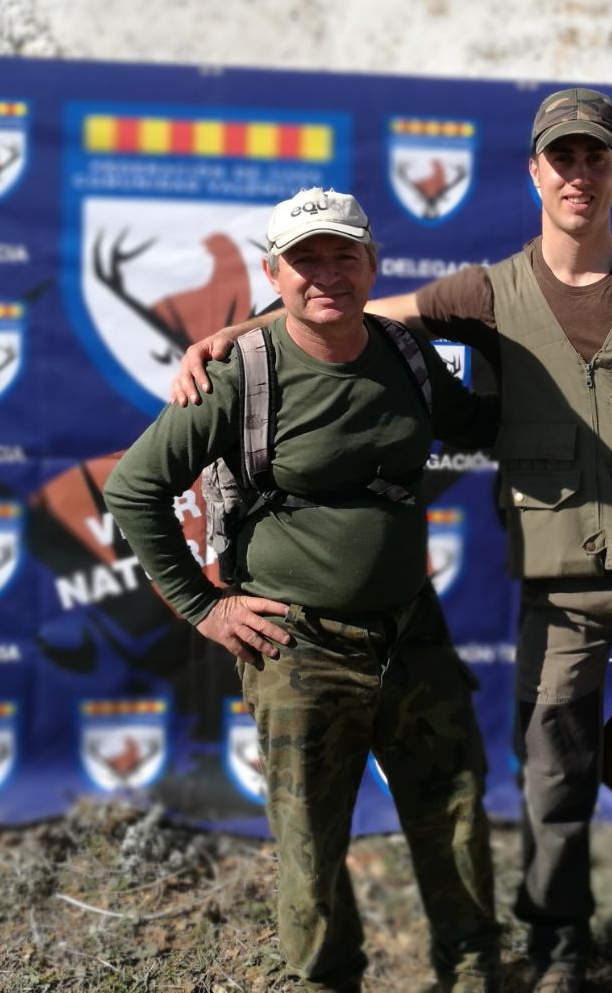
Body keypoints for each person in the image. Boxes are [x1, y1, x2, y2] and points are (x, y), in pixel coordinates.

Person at [170, 91, 612, 993]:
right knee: (555, 777)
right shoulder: (486, 292)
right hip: (560, 588)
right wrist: (238, 331)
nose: (579, 175)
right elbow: (354, 308)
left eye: (595, 157)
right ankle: (556, 948)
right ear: (535, 173)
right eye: (562, 158)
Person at [105, 189, 502, 993]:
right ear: (272, 275)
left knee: (454, 811)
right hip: (299, 647)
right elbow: (133, 488)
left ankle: (473, 975)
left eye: (342, 256)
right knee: (311, 841)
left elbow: (486, 423)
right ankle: (327, 981)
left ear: (372, 265)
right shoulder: (239, 374)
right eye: (304, 260)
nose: (326, 275)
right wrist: (204, 606)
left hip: (410, 630)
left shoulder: (407, 355)